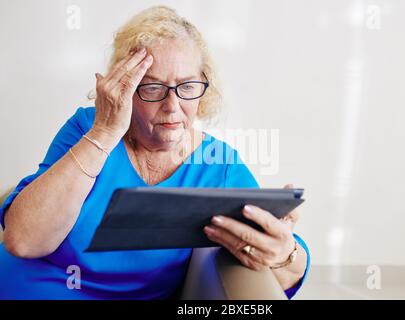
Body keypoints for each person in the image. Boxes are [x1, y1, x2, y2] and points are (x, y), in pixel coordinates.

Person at [0, 6, 310, 299]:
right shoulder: (88, 128)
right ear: (124, 88)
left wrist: (286, 255)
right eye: (152, 88)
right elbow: (24, 240)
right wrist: (104, 133)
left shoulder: (219, 166)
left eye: (187, 86)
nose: (172, 107)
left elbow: (276, 258)